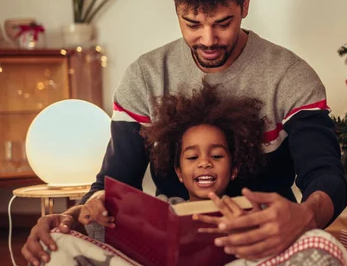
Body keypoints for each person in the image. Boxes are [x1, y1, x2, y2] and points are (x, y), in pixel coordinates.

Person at [21, 0, 347, 266]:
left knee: (326, 262)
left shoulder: (291, 77)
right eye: (192, 23)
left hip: (267, 248)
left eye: (224, 23)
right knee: (57, 259)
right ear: (176, 8)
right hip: (171, 255)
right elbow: (113, 184)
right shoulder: (145, 77)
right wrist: (72, 219)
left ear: (245, 5)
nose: (208, 40)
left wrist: (305, 215)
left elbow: (326, 175)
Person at [78, 83, 267, 240]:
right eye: (192, 157)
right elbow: (103, 223)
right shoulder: (160, 208)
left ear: (234, 169)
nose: (204, 163)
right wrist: (102, 201)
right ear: (179, 172)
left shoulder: (250, 211)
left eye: (216, 156)